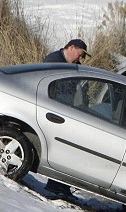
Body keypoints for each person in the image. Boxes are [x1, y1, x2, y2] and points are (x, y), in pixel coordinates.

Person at [42, 39, 91, 200]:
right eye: (80, 54)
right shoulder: (53, 61)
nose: (81, 58)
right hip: (56, 113)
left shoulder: (71, 65)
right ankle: (56, 186)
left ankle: (60, 186)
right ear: (71, 48)